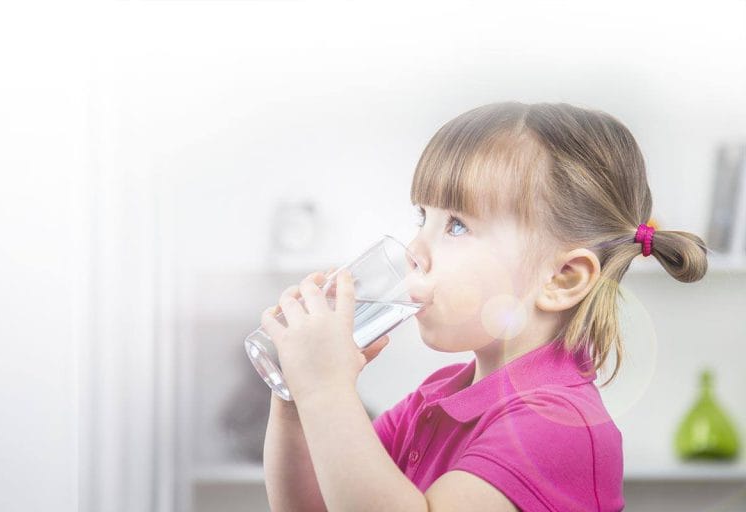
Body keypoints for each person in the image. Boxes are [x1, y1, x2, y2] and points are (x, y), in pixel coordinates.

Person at [261, 101, 710, 512]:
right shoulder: (436, 399)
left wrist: (326, 389)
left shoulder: (558, 424)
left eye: (456, 225)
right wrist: (298, 399)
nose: (415, 247)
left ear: (562, 279)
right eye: (423, 217)